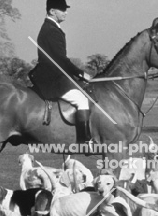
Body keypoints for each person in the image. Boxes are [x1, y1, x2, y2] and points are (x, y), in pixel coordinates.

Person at [29, 0, 92, 144]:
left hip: (54, 75)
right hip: (52, 78)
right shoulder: (51, 30)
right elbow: (61, 59)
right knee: (82, 100)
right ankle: (84, 141)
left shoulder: (51, 28)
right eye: (62, 9)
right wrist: (80, 73)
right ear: (52, 11)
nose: (66, 12)